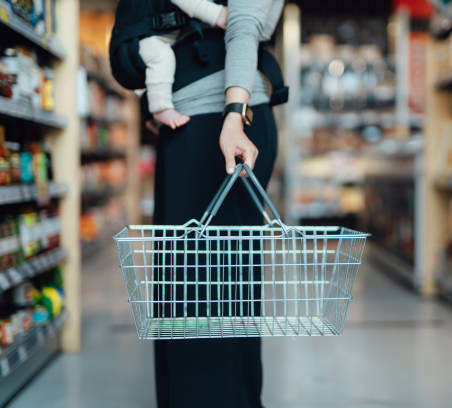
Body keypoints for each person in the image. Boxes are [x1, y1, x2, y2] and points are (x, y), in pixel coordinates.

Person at [151, 0, 284, 407]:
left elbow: (244, 24)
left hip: (224, 127)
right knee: (182, 295)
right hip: (188, 126)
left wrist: (233, 113)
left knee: (213, 294)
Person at [139, 0, 227, 129]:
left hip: (166, 34)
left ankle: (151, 111)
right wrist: (218, 14)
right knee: (161, 57)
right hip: (148, 37)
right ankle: (160, 108)